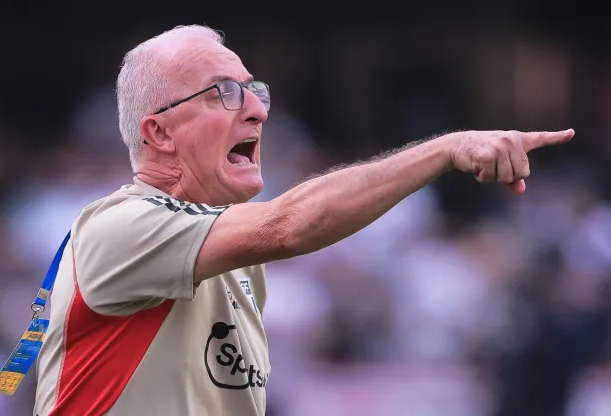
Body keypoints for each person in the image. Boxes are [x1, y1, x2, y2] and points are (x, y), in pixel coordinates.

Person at [33, 24, 575, 416]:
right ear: (159, 133)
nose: (257, 110)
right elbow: (289, 226)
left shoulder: (237, 262)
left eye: (254, 90)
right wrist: (445, 149)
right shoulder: (120, 226)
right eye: (224, 92)